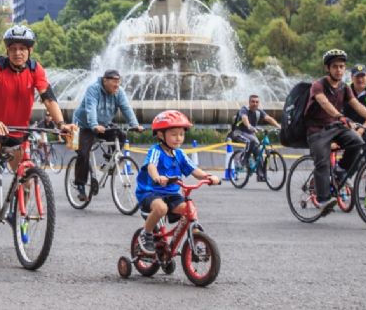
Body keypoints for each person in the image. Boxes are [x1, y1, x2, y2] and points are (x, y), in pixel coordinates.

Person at [0, 24, 74, 243]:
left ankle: (21, 218)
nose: (18, 52)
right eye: (13, 48)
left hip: (18, 130)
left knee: (26, 179)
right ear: (7, 50)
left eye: (23, 48)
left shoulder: (36, 69)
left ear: (30, 50)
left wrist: (62, 124)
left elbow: (49, 98)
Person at [305, 50, 366, 214]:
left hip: (334, 127)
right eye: (335, 67)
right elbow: (324, 103)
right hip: (317, 130)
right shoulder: (318, 85)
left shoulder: (344, 88)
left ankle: (340, 172)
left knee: (357, 141)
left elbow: (357, 105)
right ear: (327, 68)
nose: (339, 70)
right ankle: (324, 199)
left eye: (342, 67)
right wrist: (340, 116)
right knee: (322, 162)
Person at [135, 110, 220, 255]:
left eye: (181, 134)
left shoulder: (180, 154)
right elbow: (151, 166)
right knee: (161, 209)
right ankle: (146, 233)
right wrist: (157, 177)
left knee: (189, 208)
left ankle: (195, 237)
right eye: (174, 134)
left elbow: (194, 170)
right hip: (151, 192)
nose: (178, 138)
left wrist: (209, 177)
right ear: (161, 135)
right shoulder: (156, 151)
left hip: (171, 193)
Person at [71, 70, 143, 201]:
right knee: (83, 153)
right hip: (84, 125)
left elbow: (126, 108)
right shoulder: (93, 89)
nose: (117, 85)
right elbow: (90, 108)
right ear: (105, 80)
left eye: (118, 81)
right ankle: (80, 185)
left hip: (103, 124)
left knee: (120, 135)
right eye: (114, 81)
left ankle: (109, 160)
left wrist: (135, 124)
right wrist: (94, 125)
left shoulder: (119, 92)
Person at [229, 95, 281, 182]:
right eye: (253, 101)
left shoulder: (258, 112)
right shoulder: (244, 109)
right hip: (239, 132)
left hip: (250, 133)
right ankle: (244, 160)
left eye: (257, 102)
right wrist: (249, 125)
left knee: (259, 151)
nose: (255, 104)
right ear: (249, 102)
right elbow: (244, 118)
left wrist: (279, 126)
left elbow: (268, 118)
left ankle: (261, 175)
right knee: (252, 141)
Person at [343, 64, 366, 136]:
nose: (360, 79)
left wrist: (362, 129)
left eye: (363, 76)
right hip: (346, 127)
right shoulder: (344, 89)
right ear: (351, 77)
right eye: (357, 76)